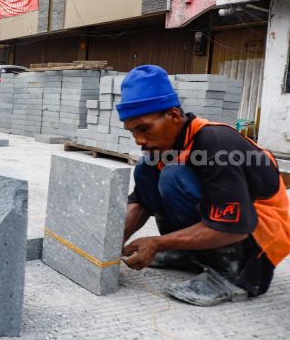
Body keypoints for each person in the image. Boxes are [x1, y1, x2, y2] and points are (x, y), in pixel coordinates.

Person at [118, 65, 290, 307]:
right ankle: (194, 256)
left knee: (172, 176)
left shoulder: (216, 144)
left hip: (259, 242)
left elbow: (233, 227)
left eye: (144, 128)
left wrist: (157, 243)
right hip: (231, 226)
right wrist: (113, 240)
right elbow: (142, 201)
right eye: (132, 131)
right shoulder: (164, 149)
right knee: (147, 169)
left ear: (175, 116)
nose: (139, 140)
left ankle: (232, 276)